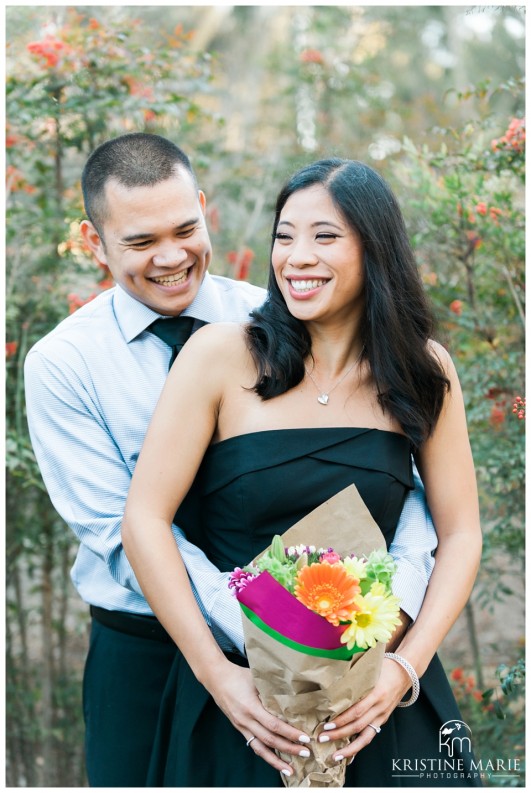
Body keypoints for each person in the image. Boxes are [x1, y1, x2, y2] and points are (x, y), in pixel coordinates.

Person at [24, 135, 436, 787]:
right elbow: (119, 530)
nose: (170, 257)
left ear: (204, 208)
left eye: (185, 228)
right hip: (144, 645)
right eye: (139, 242)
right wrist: (245, 631)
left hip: (316, 640)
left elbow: (389, 477)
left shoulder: (279, 315)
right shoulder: (63, 364)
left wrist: (354, 627)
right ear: (92, 240)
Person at [122, 157, 482, 787]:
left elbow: (461, 535)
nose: (296, 257)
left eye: (324, 236)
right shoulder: (220, 355)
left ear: (376, 250)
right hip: (243, 706)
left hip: (377, 697)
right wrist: (218, 676)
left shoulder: (425, 371)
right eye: (285, 236)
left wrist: (406, 667)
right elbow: (145, 522)